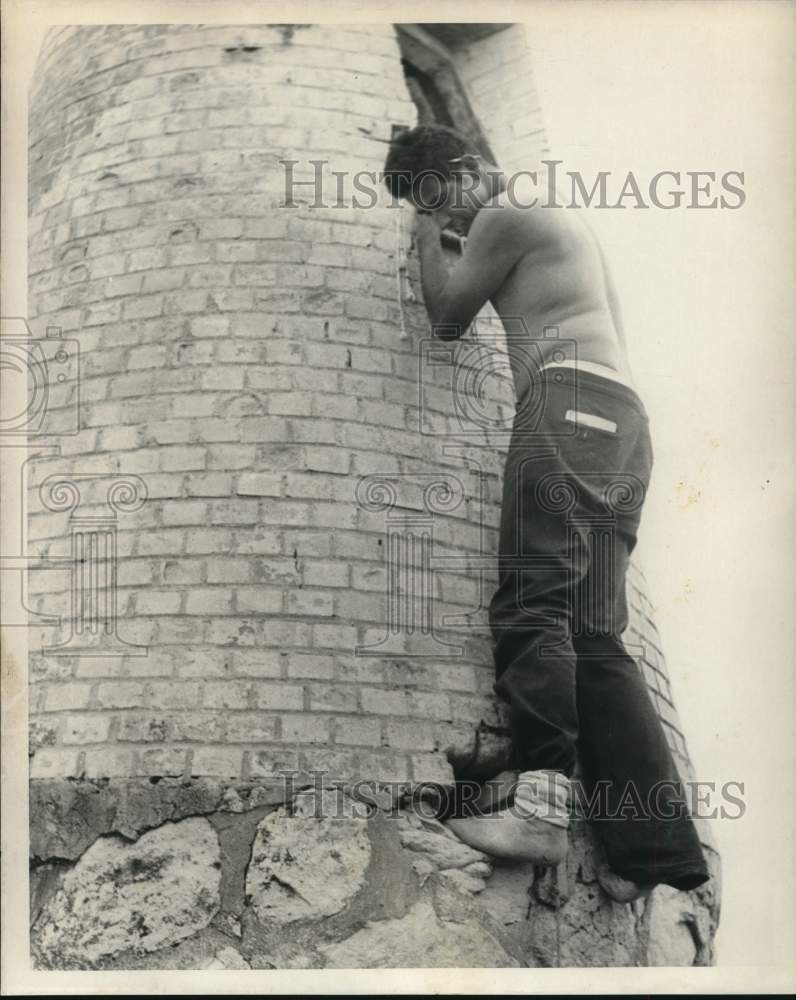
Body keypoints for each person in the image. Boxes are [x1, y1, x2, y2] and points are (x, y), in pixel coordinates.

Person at [383, 124, 710, 897]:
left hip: (563, 406)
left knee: (533, 604)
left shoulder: (505, 211)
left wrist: (427, 234)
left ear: (463, 172)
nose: (450, 219)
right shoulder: (565, 219)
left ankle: (540, 809)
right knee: (595, 638)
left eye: (440, 198)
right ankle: (655, 853)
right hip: (623, 425)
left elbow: (448, 314)